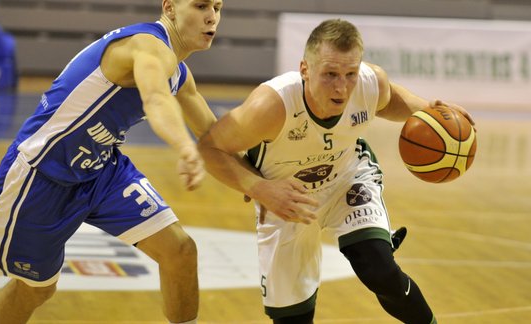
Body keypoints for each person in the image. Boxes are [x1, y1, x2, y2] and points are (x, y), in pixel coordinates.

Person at [198, 18, 474, 324]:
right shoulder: (271, 106)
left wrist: (427, 110)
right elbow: (209, 148)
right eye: (330, 74)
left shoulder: (370, 82)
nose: (342, 87)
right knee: (293, 318)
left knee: (379, 269)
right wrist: (257, 187)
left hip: (347, 178)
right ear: (305, 69)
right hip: (286, 197)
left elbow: (389, 99)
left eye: (350, 74)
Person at [0, 0, 223, 323]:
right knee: (36, 289)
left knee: (180, 251)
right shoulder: (146, 46)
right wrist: (184, 147)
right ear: (170, 8)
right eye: (201, 5)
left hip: (101, 170)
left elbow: (216, 136)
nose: (212, 17)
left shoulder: (179, 73)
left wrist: (264, 183)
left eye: (218, 7)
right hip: (42, 171)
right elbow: (155, 99)